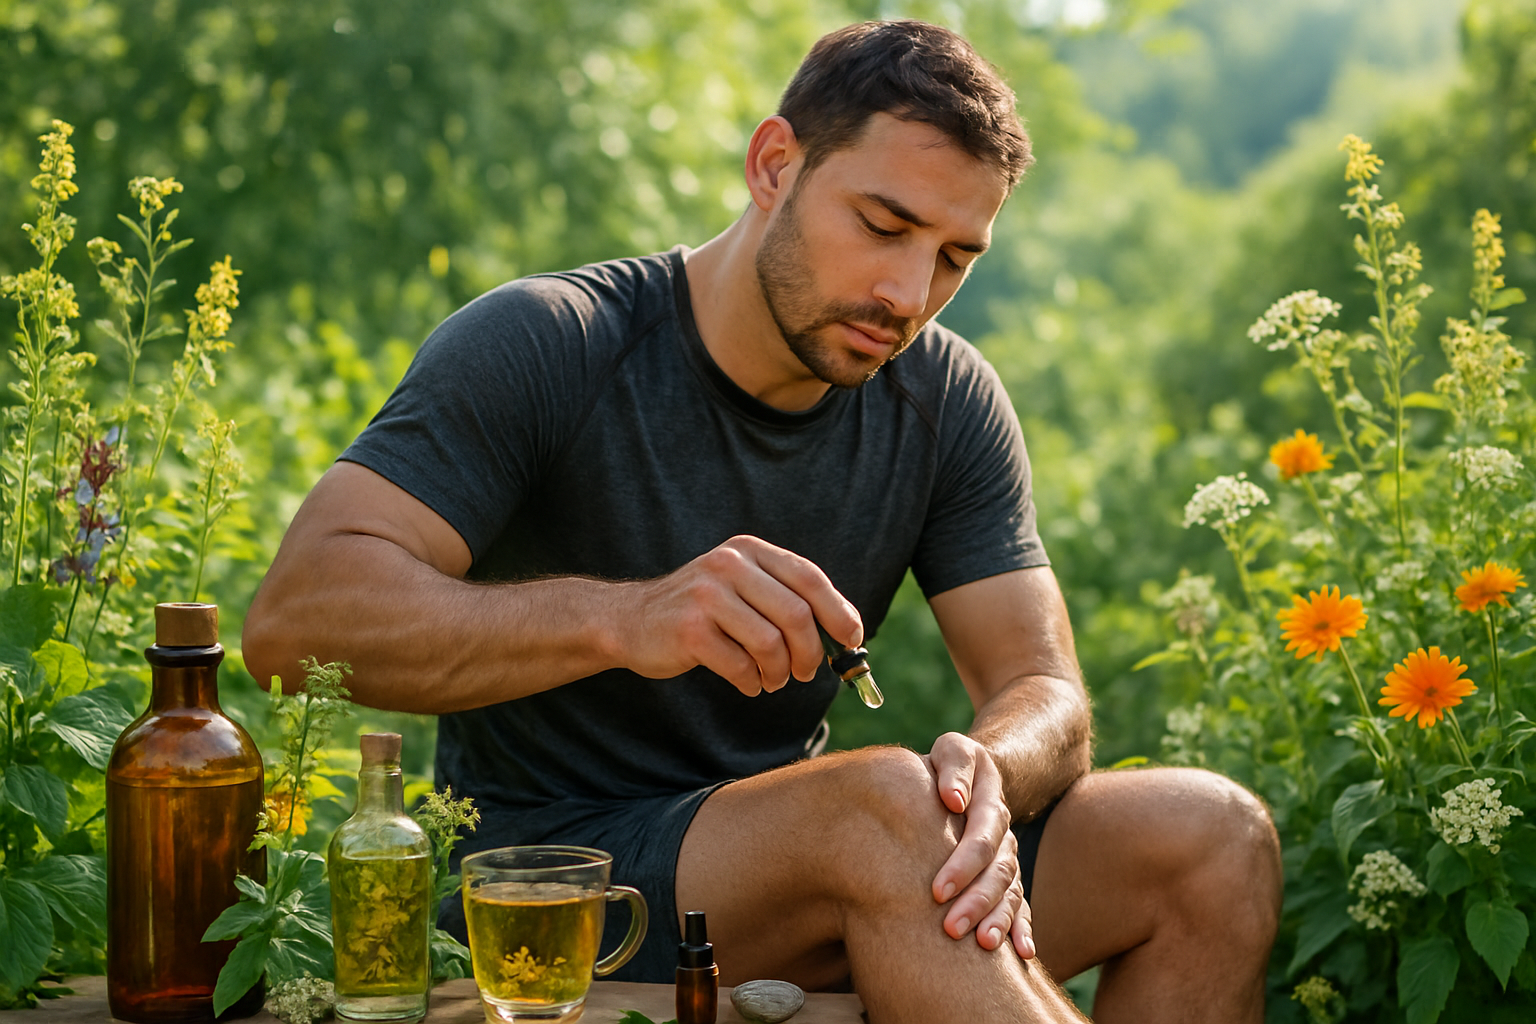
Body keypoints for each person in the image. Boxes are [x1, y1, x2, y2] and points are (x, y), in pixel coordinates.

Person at [244, 20, 1281, 1023]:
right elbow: (295, 622)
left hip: (827, 870)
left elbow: (1044, 688)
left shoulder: (947, 399)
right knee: (882, 806)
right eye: (882, 226)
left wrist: (989, 774)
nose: (908, 292)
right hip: (557, 887)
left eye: (957, 257)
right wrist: (629, 618)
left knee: (1208, 834)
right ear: (774, 164)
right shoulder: (549, 341)